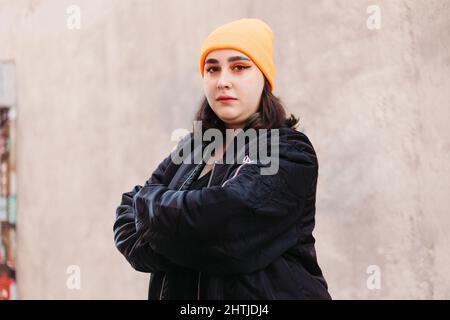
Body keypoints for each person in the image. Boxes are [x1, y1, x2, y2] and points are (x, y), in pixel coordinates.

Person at [113, 18, 331, 300]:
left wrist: (151, 209)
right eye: (212, 69)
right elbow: (127, 225)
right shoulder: (192, 148)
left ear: (263, 77)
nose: (223, 81)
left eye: (239, 67)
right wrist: (183, 229)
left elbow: (225, 225)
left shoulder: (288, 151)